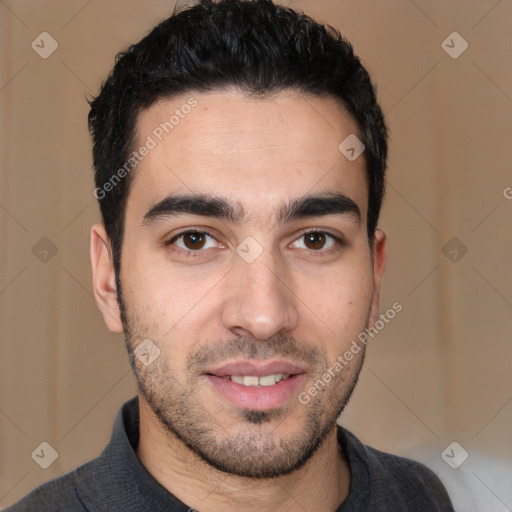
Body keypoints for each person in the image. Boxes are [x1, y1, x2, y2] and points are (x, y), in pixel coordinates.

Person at [6, 0, 455, 510]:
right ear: (109, 278)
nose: (263, 316)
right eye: (194, 239)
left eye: (314, 239)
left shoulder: (420, 497)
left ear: (375, 277)